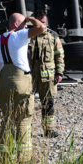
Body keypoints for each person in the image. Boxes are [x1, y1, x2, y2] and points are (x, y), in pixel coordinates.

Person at [0, 13, 45, 164]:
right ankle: (24, 158)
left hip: (4, 80)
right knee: (23, 119)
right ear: (16, 25)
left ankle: (4, 157)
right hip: (21, 80)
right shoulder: (20, 35)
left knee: (6, 120)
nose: (26, 26)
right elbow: (41, 27)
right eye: (24, 23)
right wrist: (30, 18)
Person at [28, 9, 65, 138]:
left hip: (48, 75)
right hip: (30, 75)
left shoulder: (53, 36)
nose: (42, 25)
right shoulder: (28, 34)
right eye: (39, 22)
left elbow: (59, 55)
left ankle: (49, 130)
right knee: (27, 102)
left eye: (44, 22)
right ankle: (26, 130)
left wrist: (59, 73)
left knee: (48, 103)